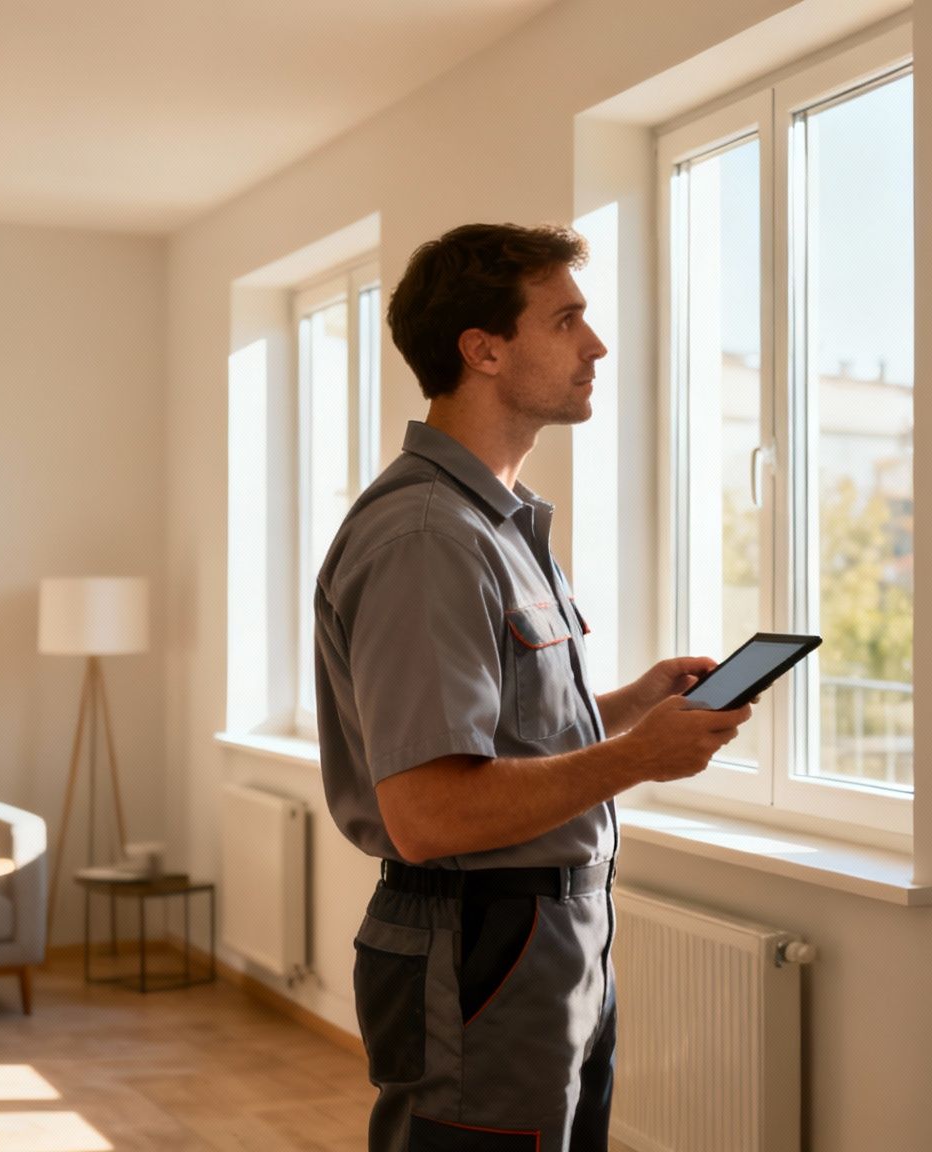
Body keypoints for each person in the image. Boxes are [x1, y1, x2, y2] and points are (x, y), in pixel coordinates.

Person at [314, 222, 752, 1152]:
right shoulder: (428, 536)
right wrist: (637, 758)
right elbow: (429, 810)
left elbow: (506, 734)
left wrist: (630, 705)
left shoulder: (496, 525)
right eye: (567, 321)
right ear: (483, 349)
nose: (594, 345)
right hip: (485, 947)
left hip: (551, 943)